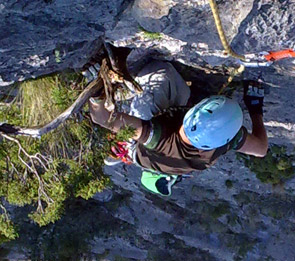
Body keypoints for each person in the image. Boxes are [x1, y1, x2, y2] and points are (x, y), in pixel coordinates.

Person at [88, 58, 268, 183]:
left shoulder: (159, 138)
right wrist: (255, 108)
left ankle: (125, 145)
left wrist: (97, 91)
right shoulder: (223, 138)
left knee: (158, 74)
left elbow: (103, 119)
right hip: (170, 136)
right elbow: (260, 149)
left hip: (142, 149)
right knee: (169, 77)